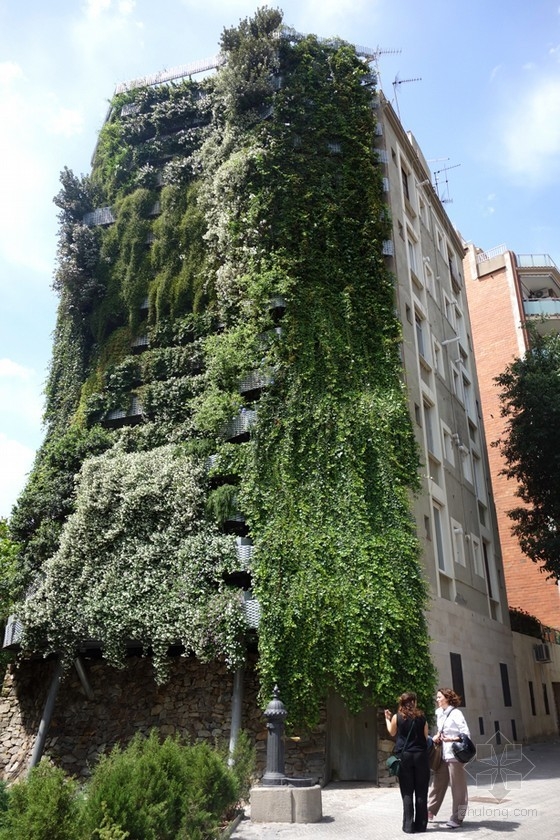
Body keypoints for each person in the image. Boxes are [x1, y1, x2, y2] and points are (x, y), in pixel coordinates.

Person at [385, 691, 430, 834]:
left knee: (407, 792)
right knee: (421, 791)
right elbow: (426, 737)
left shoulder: (397, 717)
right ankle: (421, 826)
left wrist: (387, 719)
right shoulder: (422, 717)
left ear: (402, 703)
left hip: (404, 757)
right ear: (414, 702)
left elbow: (392, 732)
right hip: (421, 757)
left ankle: (408, 826)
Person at [428, 687, 471, 829]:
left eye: (439, 697)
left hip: (454, 754)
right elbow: (441, 730)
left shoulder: (456, 713)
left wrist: (451, 739)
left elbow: (465, 734)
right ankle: (429, 811)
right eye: (437, 697)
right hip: (442, 754)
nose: (437, 699)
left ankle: (458, 818)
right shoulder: (439, 713)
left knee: (458, 788)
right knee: (437, 783)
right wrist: (438, 736)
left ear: (447, 698)